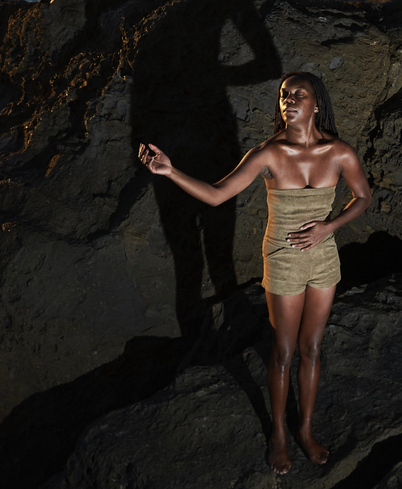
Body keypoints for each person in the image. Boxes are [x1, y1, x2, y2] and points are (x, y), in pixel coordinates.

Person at [138, 71, 372, 474]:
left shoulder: (340, 153)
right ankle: (279, 436)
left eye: (299, 94)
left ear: (317, 104)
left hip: (324, 257)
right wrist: (170, 171)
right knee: (283, 351)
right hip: (282, 256)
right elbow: (216, 195)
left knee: (312, 348)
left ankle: (306, 431)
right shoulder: (267, 153)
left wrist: (328, 226)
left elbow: (363, 197)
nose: (289, 100)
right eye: (284, 95)